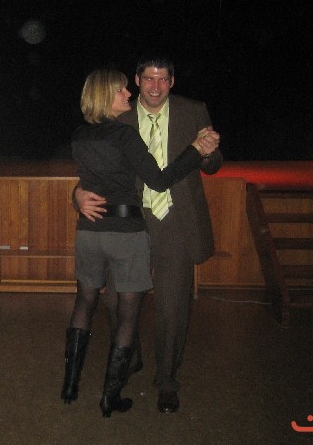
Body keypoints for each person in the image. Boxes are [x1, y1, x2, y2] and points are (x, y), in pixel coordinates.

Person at [63, 69, 218, 418]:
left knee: (166, 308)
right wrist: (77, 195)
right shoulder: (123, 122)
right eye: (146, 79)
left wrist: (206, 152)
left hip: (157, 224)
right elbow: (135, 177)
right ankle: (120, 376)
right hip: (128, 226)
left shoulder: (192, 111)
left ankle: (161, 381)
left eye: (163, 79)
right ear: (136, 80)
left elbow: (214, 163)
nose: (151, 87)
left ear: (172, 82)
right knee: (118, 306)